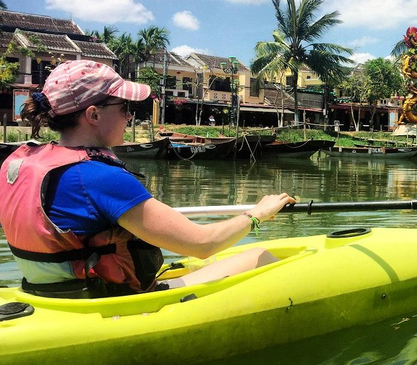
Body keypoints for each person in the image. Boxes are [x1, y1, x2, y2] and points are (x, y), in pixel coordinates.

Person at [0, 60, 296, 298]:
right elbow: (203, 243)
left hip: (47, 295)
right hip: (108, 302)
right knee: (261, 255)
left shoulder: (19, 163)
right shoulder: (99, 176)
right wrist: (258, 214)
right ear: (93, 114)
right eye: (124, 108)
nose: (129, 117)